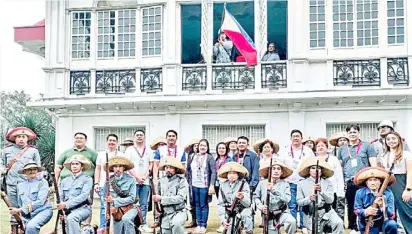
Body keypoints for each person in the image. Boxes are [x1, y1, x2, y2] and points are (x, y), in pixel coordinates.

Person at [338, 124, 377, 234]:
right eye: (350, 132)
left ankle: (367, 225)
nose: (352, 134)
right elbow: (340, 167)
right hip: (349, 181)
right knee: (351, 204)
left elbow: (373, 164)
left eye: (354, 132)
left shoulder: (367, 146)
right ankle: (352, 227)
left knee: (366, 203)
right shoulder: (342, 149)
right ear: (347, 134)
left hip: (364, 181)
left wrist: (373, 179)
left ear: (359, 133)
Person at [0, 127, 40, 231]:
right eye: (18, 137)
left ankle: (26, 229)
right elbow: (2, 163)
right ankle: (14, 230)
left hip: (27, 184)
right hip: (11, 183)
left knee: (27, 207)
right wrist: (2, 169)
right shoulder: (6, 150)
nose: (21, 139)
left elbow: (38, 168)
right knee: (13, 207)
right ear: (14, 139)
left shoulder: (33, 151)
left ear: (27, 139)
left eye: (23, 137)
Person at [297, 156, 344, 234]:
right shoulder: (301, 183)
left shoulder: (328, 182)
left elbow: (330, 200)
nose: (316, 170)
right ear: (309, 170)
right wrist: (309, 199)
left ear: (321, 171)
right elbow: (299, 202)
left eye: (318, 168)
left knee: (338, 223)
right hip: (310, 214)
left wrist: (321, 192)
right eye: (313, 168)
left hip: (327, 211)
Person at [280, 129, 314, 232]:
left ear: (301, 138)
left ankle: (304, 226)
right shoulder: (285, 151)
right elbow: (282, 166)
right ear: (290, 138)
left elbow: (312, 164)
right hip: (290, 182)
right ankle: (293, 225)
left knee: (304, 204)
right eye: (293, 136)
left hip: (304, 181)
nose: (295, 138)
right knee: (292, 204)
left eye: (297, 136)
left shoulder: (308, 150)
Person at [253, 160, 296, 234]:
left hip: (282, 212)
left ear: (281, 172)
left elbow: (287, 199)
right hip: (269, 215)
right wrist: (261, 207)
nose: (276, 171)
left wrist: (274, 190)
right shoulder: (262, 183)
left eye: (278, 169)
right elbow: (256, 197)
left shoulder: (285, 184)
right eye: (274, 168)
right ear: (269, 171)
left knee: (292, 221)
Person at [9, 162, 52, 234]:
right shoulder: (20, 185)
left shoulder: (43, 182)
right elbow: (20, 203)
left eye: (34, 169)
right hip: (27, 215)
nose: (32, 171)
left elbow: (40, 202)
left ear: (37, 171)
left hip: (43, 211)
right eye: (29, 169)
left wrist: (19, 210)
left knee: (31, 226)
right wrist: (22, 219)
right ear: (25, 172)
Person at [382, 132, 412, 234]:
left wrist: (408, 189)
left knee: (407, 212)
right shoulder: (385, 155)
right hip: (389, 185)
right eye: (388, 139)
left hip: (402, 183)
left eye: (393, 138)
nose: (391, 141)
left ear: (399, 139)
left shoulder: (406, 154)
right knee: (391, 212)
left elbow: (410, 172)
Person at [94, 133, 125, 230]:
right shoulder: (101, 154)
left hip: (118, 185)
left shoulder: (121, 155)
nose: (111, 142)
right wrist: (96, 183)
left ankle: (118, 228)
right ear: (106, 142)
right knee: (104, 206)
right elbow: (98, 169)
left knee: (118, 206)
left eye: (114, 141)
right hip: (104, 184)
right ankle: (103, 227)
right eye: (110, 140)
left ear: (117, 143)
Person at [353, 167, 397, 234]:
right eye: (370, 180)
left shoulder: (388, 193)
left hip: (383, 222)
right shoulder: (359, 193)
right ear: (366, 182)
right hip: (368, 223)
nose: (372, 183)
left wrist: (383, 206)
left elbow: (392, 215)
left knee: (392, 224)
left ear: (380, 182)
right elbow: (356, 210)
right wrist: (366, 212)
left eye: (375, 180)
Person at [125, 129, 153, 233]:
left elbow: (151, 164)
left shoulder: (148, 150)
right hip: (133, 181)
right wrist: (137, 177)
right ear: (134, 137)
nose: (139, 137)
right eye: (137, 135)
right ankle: (133, 223)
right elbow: (127, 165)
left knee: (144, 203)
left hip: (145, 182)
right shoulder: (129, 150)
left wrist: (145, 176)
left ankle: (143, 223)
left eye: (141, 135)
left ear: (144, 137)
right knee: (132, 203)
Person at [186, 139, 216, 233]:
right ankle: (198, 224)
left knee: (203, 205)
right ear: (198, 147)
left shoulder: (209, 157)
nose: (202, 147)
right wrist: (189, 181)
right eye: (201, 145)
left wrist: (211, 185)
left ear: (207, 148)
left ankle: (203, 225)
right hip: (194, 185)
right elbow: (188, 170)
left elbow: (213, 171)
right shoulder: (193, 156)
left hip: (204, 185)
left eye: (204, 146)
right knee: (197, 205)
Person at [58, 154, 93, 234]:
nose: (74, 166)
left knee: (71, 218)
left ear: (82, 167)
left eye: (77, 164)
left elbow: (84, 196)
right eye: (72, 164)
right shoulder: (64, 181)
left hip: (83, 208)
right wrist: (62, 209)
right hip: (67, 210)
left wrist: (66, 204)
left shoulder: (87, 179)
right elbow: (60, 196)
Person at [154, 156, 189, 234]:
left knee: (176, 224)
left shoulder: (182, 181)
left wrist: (162, 199)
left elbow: (180, 198)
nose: (168, 170)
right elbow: (157, 199)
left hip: (179, 212)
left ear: (176, 169)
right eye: (166, 167)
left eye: (170, 167)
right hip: (165, 214)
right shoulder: (161, 181)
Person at [106, 156, 140, 234]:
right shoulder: (108, 181)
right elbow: (105, 199)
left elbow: (132, 198)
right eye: (115, 166)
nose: (118, 169)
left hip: (130, 208)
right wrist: (107, 213)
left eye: (120, 166)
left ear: (124, 168)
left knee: (126, 219)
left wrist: (114, 201)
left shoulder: (131, 180)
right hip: (116, 211)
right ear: (112, 168)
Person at [217, 162, 253, 234]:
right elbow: (221, 204)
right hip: (230, 212)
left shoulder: (244, 184)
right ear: (227, 175)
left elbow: (248, 204)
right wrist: (223, 219)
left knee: (246, 215)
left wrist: (242, 197)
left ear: (238, 175)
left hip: (242, 210)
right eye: (230, 173)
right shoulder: (222, 185)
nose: (232, 175)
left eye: (234, 173)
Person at [314, 138, 345, 220]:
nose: (320, 147)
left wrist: (340, 190)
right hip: (318, 190)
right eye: (318, 146)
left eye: (322, 146)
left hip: (332, 189)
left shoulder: (333, 159)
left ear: (327, 147)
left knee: (332, 211)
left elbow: (339, 175)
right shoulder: (313, 160)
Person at [184, 138, 200, 228]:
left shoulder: (204, 156)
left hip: (199, 181)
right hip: (190, 181)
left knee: (199, 202)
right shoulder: (189, 156)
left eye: (198, 146)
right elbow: (188, 169)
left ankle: (199, 221)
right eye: (195, 146)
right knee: (191, 201)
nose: (197, 148)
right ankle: (193, 220)